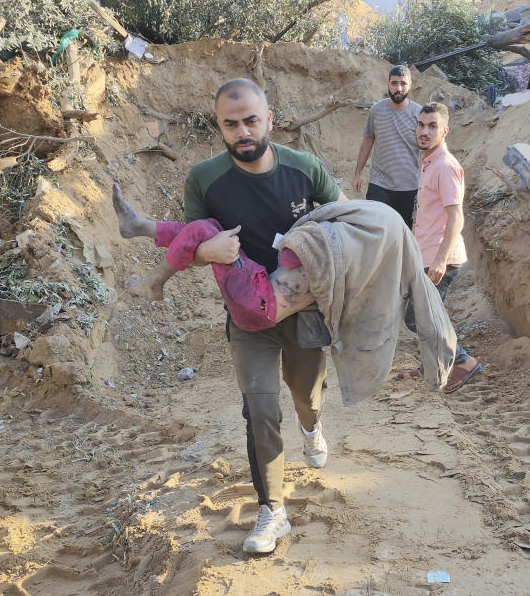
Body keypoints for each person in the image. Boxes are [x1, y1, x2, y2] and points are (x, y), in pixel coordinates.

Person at [119, 78, 347, 555]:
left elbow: (346, 219)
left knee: (306, 396)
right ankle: (273, 511)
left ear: (269, 119)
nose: (242, 131)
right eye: (230, 124)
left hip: (304, 313)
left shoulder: (304, 168)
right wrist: (205, 249)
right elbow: (192, 242)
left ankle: (312, 427)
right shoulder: (205, 178)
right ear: (219, 127)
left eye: (250, 120)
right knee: (260, 407)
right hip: (247, 316)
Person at [399, 102, 482, 393]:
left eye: (432, 126)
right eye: (421, 125)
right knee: (427, 317)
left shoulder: (446, 167)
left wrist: (440, 260)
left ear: (445, 131)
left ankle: (463, 362)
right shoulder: (429, 162)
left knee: (419, 318)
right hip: (427, 254)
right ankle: (432, 364)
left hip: (440, 257)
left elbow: (455, 216)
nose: (424, 131)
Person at [354, 65, 423, 229]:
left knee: (401, 232)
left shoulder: (420, 113)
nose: (398, 88)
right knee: (372, 228)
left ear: (410, 84)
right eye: (394, 83)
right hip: (379, 184)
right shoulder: (377, 110)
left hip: (408, 186)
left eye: (403, 84)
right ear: (388, 84)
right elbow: (368, 142)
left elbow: (427, 151)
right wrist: (358, 173)